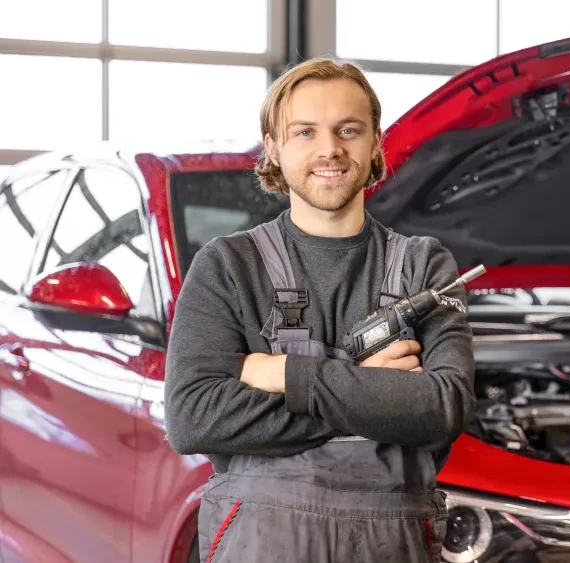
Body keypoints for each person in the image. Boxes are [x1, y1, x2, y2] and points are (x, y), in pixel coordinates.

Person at [163, 56, 477, 563]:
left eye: (348, 129)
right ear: (274, 149)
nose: (329, 149)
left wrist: (286, 373)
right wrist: (369, 390)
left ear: (375, 142)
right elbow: (193, 417)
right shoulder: (226, 266)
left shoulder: (424, 266)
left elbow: (444, 408)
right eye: (305, 132)